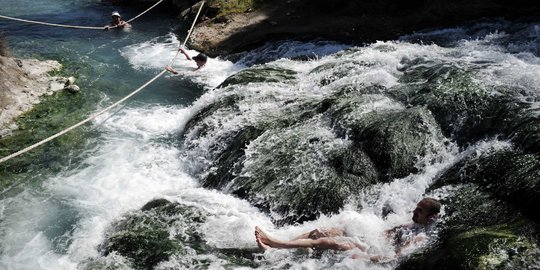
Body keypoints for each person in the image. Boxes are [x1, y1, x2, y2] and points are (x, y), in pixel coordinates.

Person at [254, 197, 441, 261]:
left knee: (325, 242)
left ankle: (275, 243)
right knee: (320, 232)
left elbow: (396, 257)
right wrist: (359, 234)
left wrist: (367, 257)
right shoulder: (411, 225)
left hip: (371, 254)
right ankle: (275, 252)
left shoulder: (420, 237)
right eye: (416, 208)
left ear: (430, 217)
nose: (414, 212)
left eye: (420, 211)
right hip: (370, 242)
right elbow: (385, 233)